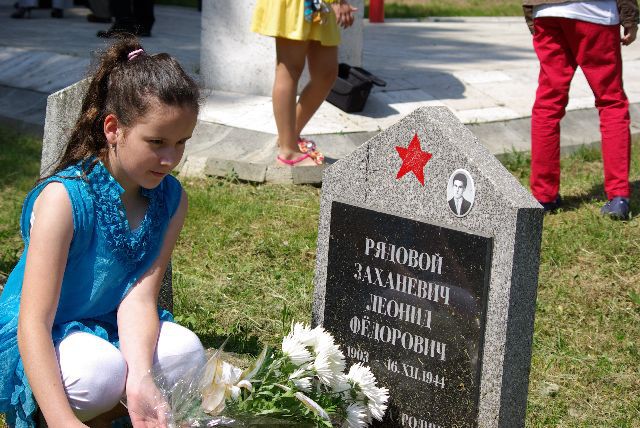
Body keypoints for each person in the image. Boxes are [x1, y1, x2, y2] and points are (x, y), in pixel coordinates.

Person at [0, 37, 205, 427]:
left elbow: (139, 298)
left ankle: (121, 411)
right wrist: (63, 421)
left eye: (181, 143)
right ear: (113, 128)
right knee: (98, 374)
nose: (170, 159)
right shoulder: (64, 200)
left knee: (186, 353)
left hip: (112, 323)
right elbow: (34, 322)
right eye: (157, 142)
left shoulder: (172, 199)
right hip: (46, 333)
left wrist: (141, 378)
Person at [523, 0, 639, 219]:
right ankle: (618, 197)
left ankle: (543, 197)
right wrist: (630, 17)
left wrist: (532, 12)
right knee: (611, 101)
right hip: (595, 11)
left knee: (548, 104)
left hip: (547, 11)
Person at [251, 0, 357, 167]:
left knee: (326, 74)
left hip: (319, 5)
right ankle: (288, 152)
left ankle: (289, 137)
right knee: (289, 69)